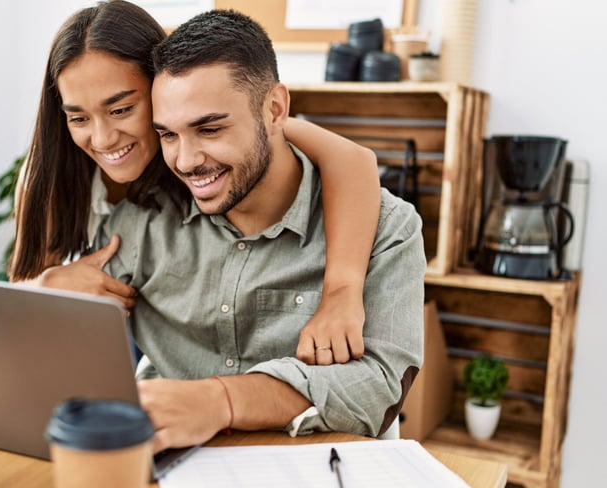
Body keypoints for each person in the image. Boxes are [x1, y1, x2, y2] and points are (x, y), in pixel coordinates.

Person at [95, 9, 426, 453]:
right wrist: (52, 293)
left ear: (275, 109)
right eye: (168, 135)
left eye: (209, 128)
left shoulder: (388, 228)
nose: (187, 160)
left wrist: (223, 400)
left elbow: (379, 390)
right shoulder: (140, 224)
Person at [8, 0, 380, 365]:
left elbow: (354, 160)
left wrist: (341, 291)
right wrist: (47, 288)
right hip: (112, 315)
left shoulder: (213, 134)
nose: (103, 139)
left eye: (121, 109)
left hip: (181, 312)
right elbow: (15, 305)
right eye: (79, 118)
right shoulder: (50, 180)